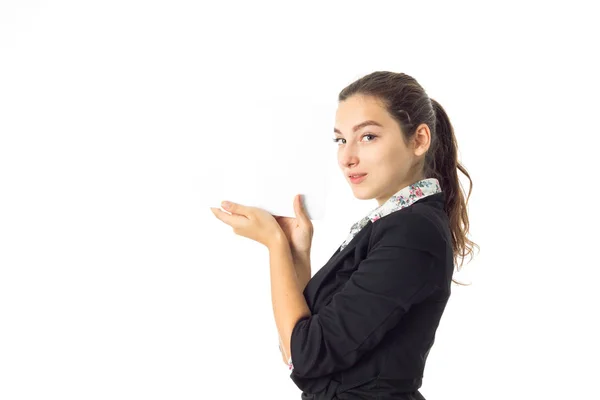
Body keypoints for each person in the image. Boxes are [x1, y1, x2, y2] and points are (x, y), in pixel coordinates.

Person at [275, 71, 479, 399]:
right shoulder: (391, 225)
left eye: (367, 136)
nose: (347, 157)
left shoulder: (413, 231)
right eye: (341, 140)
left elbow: (307, 355)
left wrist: (274, 245)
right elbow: (300, 338)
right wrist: (294, 251)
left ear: (419, 140)